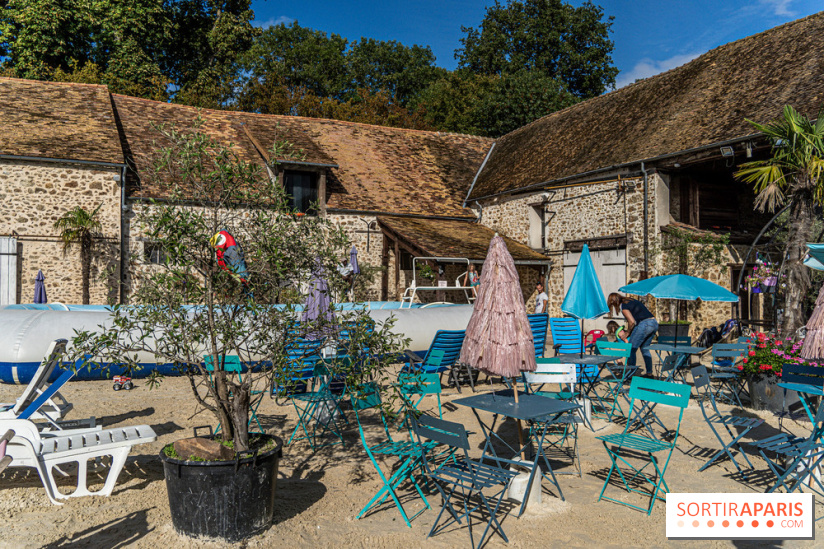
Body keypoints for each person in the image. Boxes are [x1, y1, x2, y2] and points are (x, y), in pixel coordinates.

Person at [608, 292, 658, 376]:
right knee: (645, 349)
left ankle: (631, 374)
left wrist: (628, 332)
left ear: (614, 302)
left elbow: (632, 322)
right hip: (654, 323)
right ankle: (649, 374)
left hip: (644, 324)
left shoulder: (624, 306)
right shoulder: (630, 300)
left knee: (630, 349)